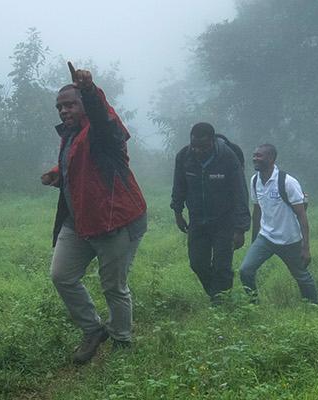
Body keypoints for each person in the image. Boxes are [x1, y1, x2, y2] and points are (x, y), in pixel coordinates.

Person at [40, 63, 147, 365]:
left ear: (85, 104)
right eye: (59, 107)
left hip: (115, 222)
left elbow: (101, 116)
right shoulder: (71, 134)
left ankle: (122, 342)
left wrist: (89, 88)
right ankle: (93, 329)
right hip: (79, 222)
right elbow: (80, 166)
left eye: (70, 104)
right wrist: (56, 173)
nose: (63, 111)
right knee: (62, 276)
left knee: (114, 286)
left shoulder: (101, 130)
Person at [170, 122, 250, 304]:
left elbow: (240, 193)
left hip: (225, 222)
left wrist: (241, 229)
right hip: (197, 221)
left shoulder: (228, 157)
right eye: (194, 146)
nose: (198, 150)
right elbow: (179, 186)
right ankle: (217, 294)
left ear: (212, 141)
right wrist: (177, 212)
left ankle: (220, 305)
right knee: (197, 263)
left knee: (222, 267)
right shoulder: (184, 157)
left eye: (203, 146)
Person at [238, 143, 318, 304]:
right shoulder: (255, 180)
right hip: (265, 238)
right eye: (254, 155)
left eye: (259, 156)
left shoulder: (287, 182)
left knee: (302, 276)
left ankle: (314, 307)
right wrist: (254, 241)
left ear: (271, 158)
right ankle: (253, 305)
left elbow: (302, 216)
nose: (255, 158)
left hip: (289, 240)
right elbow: (257, 212)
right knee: (245, 271)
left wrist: (306, 247)